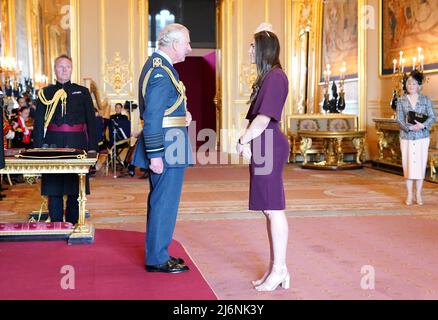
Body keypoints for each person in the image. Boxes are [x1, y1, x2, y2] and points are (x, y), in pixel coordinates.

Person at [132, 23, 193, 274]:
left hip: (172, 141)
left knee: (164, 200)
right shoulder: (159, 71)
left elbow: (166, 107)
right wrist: (155, 154)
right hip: (167, 146)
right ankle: (157, 258)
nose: (189, 49)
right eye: (187, 43)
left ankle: (160, 252)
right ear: (174, 44)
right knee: (164, 201)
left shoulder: (164, 68)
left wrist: (183, 114)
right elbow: (153, 115)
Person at [237, 24, 290, 291]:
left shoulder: (276, 77)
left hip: (270, 144)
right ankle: (278, 268)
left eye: (252, 45)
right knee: (269, 210)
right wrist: (247, 142)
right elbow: (256, 122)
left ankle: (279, 269)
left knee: (274, 209)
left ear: (262, 50)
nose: (249, 49)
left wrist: (242, 140)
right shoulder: (267, 77)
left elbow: (263, 119)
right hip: (263, 144)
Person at [33, 54, 97, 225]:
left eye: (67, 67)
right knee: (53, 186)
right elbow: (39, 123)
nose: (64, 70)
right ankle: (55, 224)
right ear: (55, 69)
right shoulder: (45, 93)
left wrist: (92, 148)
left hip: (77, 144)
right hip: (52, 144)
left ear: (71, 69)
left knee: (75, 186)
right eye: (60, 66)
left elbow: (92, 121)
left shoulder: (82, 92)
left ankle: (72, 223)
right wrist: (37, 148)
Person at [396, 70, 436, 206]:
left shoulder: (425, 100)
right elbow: (399, 119)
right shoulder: (401, 100)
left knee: (419, 166)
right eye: (408, 83)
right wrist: (408, 127)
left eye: (413, 83)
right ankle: (409, 194)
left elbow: (432, 117)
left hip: (422, 138)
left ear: (419, 85)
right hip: (406, 138)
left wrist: (422, 125)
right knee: (407, 165)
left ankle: (418, 194)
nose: (411, 85)